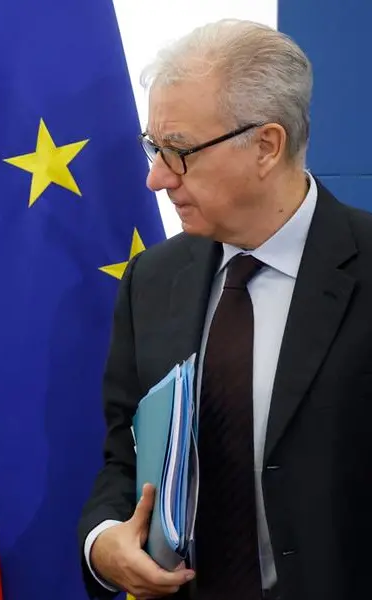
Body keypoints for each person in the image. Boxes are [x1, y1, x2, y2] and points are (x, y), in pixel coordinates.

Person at [78, 18, 372, 600]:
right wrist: (104, 542)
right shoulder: (152, 280)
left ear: (266, 146)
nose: (156, 178)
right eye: (153, 148)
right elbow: (124, 455)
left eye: (178, 151)